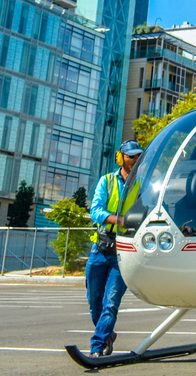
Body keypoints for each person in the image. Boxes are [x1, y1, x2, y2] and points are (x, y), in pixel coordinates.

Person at [85, 139, 143, 358]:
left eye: (138, 156)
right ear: (121, 158)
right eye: (131, 156)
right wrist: (119, 220)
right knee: (95, 303)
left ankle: (96, 348)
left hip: (123, 253)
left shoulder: (142, 186)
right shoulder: (107, 181)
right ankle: (108, 334)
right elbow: (96, 211)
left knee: (110, 304)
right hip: (99, 250)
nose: (135, 160)